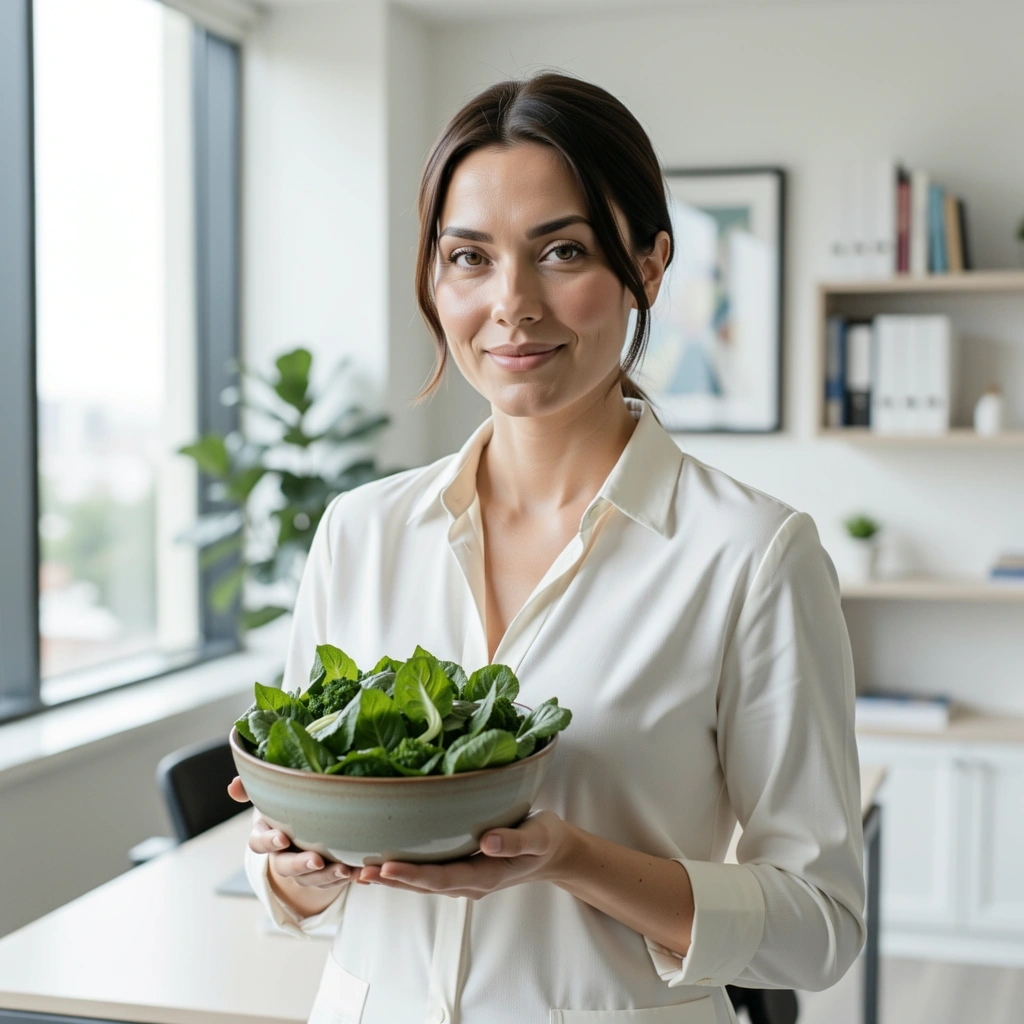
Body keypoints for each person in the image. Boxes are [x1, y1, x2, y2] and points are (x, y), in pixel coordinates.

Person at [228, 72, 865, 1024]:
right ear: (434, 277)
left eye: (562, 251)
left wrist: (572, 859)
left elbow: (820, 927)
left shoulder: (753, 556)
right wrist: (296, 865)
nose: (513, 304)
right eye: (470, 257)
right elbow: (292, 883)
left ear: (649, 264)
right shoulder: (359, 533)